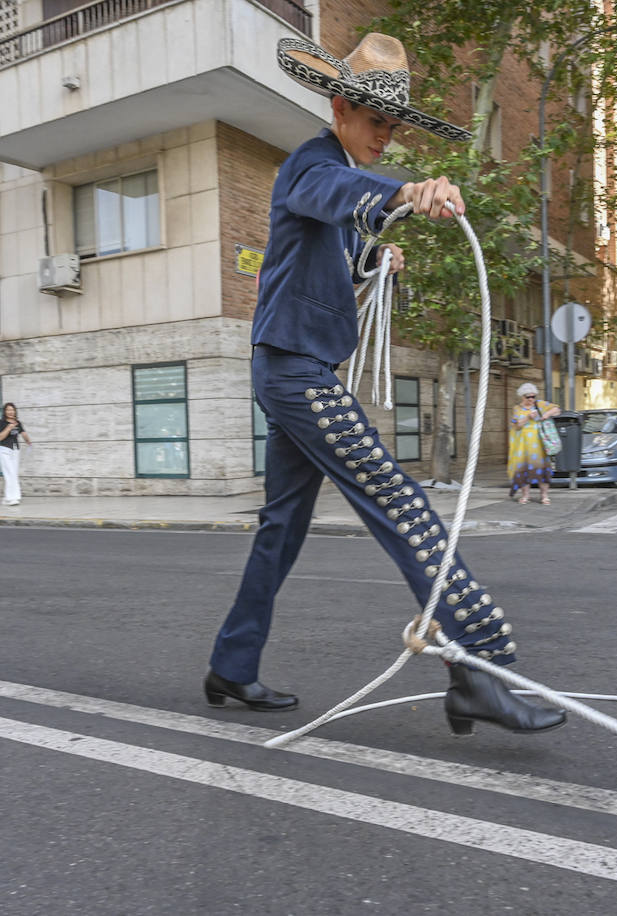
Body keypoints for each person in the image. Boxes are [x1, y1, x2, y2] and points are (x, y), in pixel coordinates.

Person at [205, 33, 564, 736]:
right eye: (376, 123)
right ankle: (477, 666)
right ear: (340, 107)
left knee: (282, 528)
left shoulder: (336, 181)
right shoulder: (312, 165)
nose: (385, 137)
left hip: (295, 366)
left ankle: (232, 665)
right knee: (399, 499)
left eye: (393, 128)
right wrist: (402, 192)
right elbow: (336, 193)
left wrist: (373, 261)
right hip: (295, 372)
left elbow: (323, 261)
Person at [507, 382, 561, 505]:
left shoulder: (539, 405)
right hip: (523, 445)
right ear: (522, 397)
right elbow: (517, 426)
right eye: (528, 397)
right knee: (523, 470)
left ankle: (544, 496)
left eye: (533, 396)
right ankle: (526, 495)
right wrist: (528, 418)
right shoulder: (517, 409)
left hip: (539, 443)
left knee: (542, 470)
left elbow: (557, 409)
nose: (531, 399)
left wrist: (546, 414)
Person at [0, 402, 32, 506]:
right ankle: (10, 498)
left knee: (14, 474)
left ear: (15, 411)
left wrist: (28, 441)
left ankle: (12, 497)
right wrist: (8, 428)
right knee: (9, 473)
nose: (10, 412)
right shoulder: (1, 423)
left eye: (12, 410)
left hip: (15, 450)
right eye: (8, 410)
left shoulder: (17, 422)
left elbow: (23, 433)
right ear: (5, 411)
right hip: (5, 450)